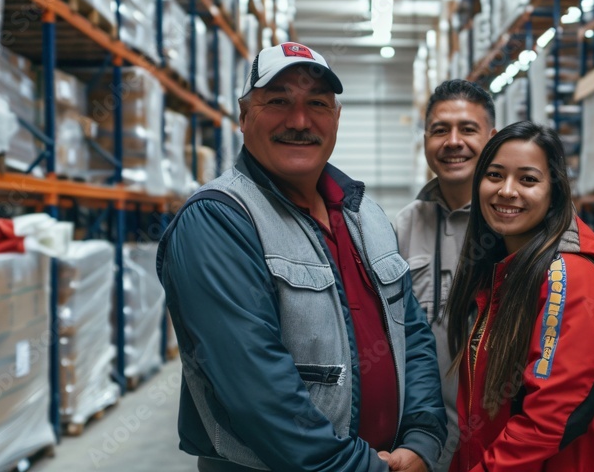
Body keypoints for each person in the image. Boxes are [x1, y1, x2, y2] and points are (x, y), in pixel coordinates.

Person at [156, 42, 447, 472]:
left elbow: (413, 335)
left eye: (317, 103)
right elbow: (254, 387)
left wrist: (422, 437)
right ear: (243, 117)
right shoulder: (218, 220)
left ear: (336, 118)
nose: (299, 121)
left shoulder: (364, 213)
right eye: (278, 101)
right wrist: (359, 466)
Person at [446, 121, 594, 472]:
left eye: (528, 179)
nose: (507, 191)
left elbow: (548, 420)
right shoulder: (503, 271)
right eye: (495, 175)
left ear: (554, 191)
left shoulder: (569, 277)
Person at [393, 80, 497, 471]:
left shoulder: (518, 222)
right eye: (440, 130)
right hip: (428, 442)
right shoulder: (405, 226)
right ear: (425, 140)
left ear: (493, 137)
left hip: (504, 443)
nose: (454, 142)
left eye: (468, 129)